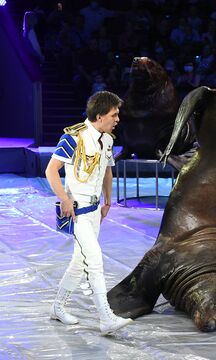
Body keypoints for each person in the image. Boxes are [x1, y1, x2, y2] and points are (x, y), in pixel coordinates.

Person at [45, 91, 133, 336]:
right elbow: (51, 170)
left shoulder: (107, 140)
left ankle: (57, 307)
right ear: (99, 115)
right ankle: (105, 318)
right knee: (93, 259)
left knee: (79, 263)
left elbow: (106, 171)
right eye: (114, 114)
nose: (117, 118)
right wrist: (64, 198)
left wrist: (107, 201)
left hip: (95, 211)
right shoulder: (73, 138)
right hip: (78, 211)